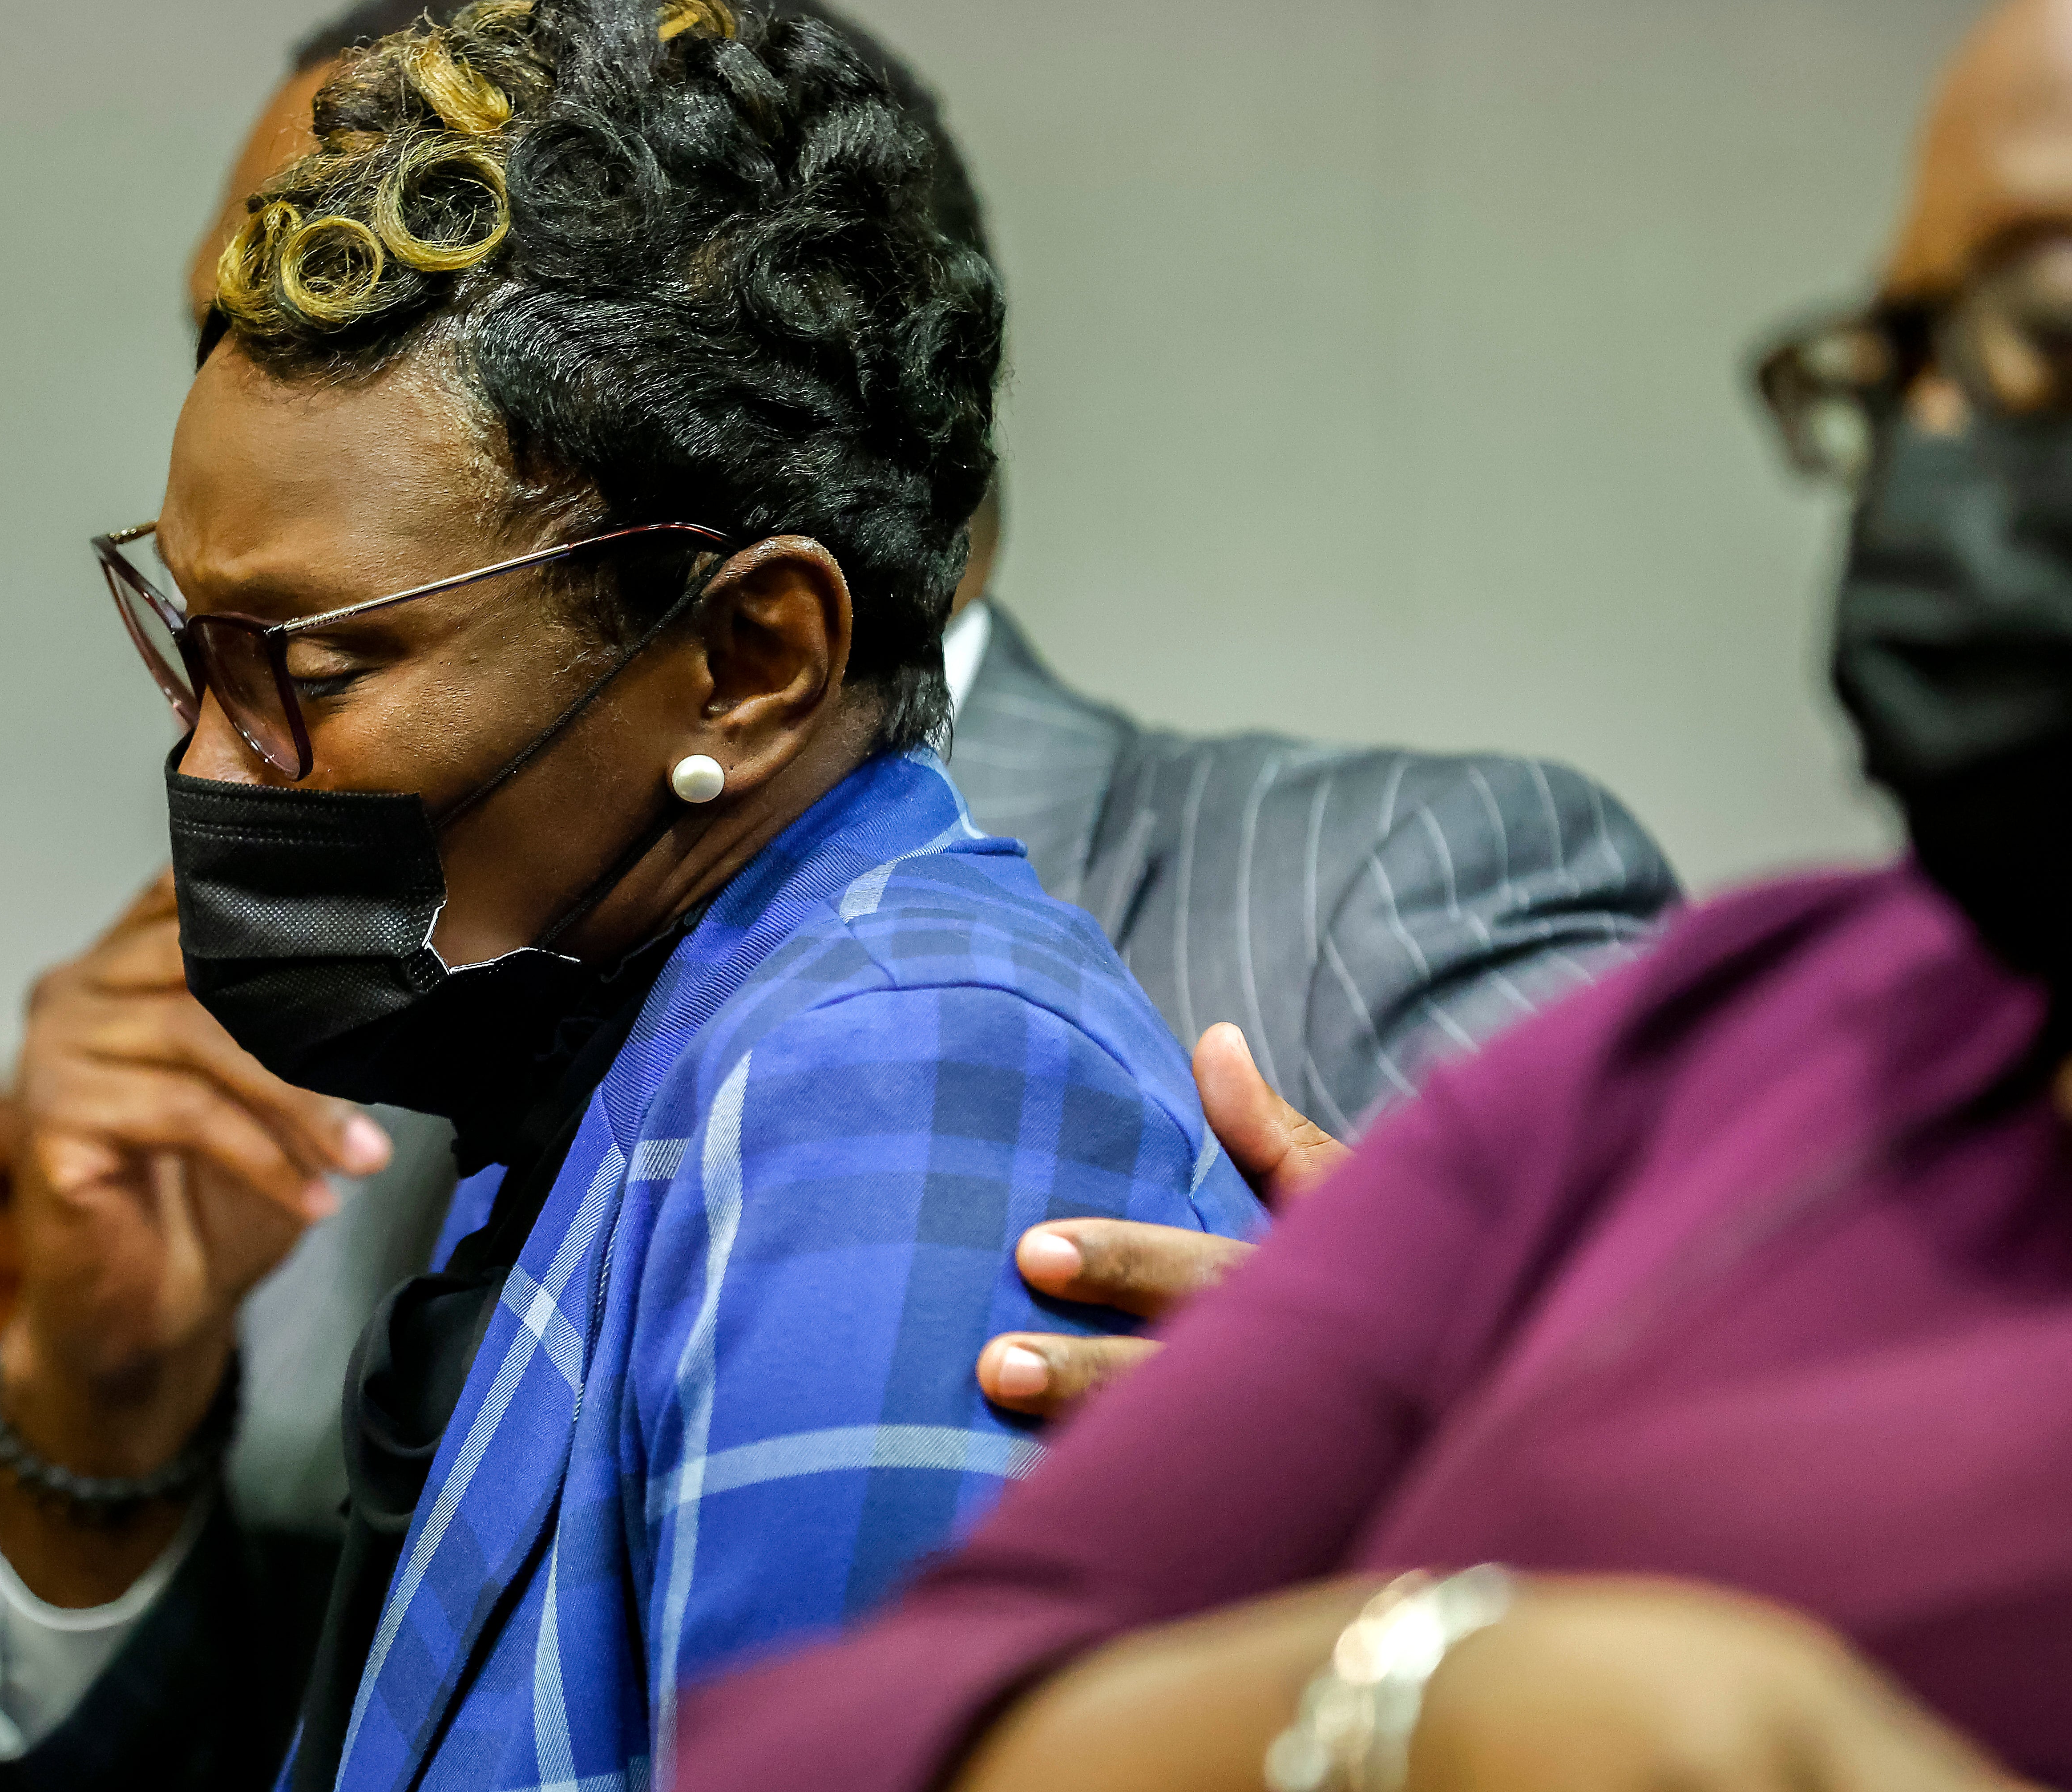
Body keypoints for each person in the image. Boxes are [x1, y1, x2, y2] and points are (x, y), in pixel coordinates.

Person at [0, 3, 1678, 1786]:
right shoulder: (512, 1031)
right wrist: (100, 1403)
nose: (214, 770)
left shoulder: (909, 1041)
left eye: (319, 659)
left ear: (752, 653)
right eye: (190, 648)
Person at [672, 3, 2072, 1785]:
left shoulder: (1398, 899)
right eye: (1891, 373)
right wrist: (1416, 1695)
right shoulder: (1732, 1033)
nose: (1937, 460)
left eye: (2042, 335)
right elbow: (812, 1740)